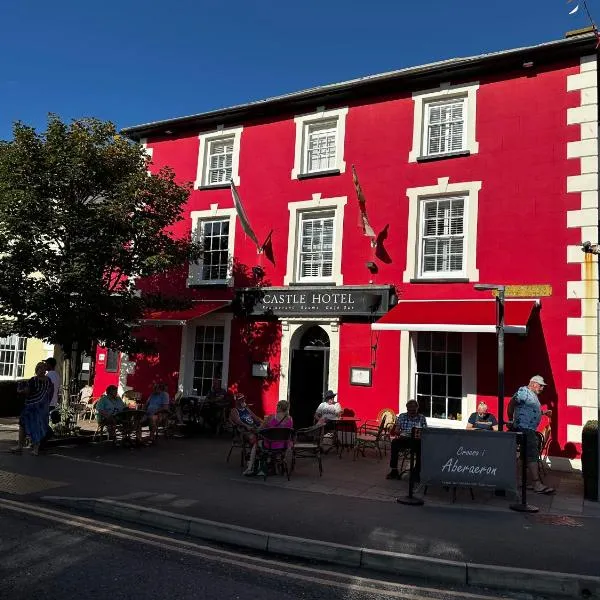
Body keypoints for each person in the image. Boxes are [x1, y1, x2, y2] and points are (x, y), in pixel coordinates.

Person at [508, 375, 554, 495]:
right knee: (533, 454)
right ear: (533, 383)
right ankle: (537, 484)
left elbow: (528, 410)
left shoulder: (532, 395)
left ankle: (519, 481)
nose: (542, 388)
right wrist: (510, 420)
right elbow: (511, 403)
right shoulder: (524, 391)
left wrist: (543, 412)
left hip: (528, 428)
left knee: (524, 456)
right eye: (541, 385)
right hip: (525, 429)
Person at [11, 362, 54, 456]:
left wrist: (20, 391)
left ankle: (28, 448)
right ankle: (27, 447)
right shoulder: (48, 381)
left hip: (33, 407)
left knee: (33, 427)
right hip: (41, 408)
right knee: (26, 425)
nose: (41, 371)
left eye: (42, 369)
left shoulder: (34, 380)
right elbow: (50, 395)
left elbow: (27, 391)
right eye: (40, 369)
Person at [386, 400, 427, 481]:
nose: (412, 412)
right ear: (407, 408)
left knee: (421, 448)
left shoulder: (421, 418)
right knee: (394, 443)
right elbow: (397, 430)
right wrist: (397, 431)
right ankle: (394, 470)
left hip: (416, 440)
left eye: (414, 410)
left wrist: (420, 433)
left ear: (417, 408)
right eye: (410, 410)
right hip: (404, 439)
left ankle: (417, 471)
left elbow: (425, 431)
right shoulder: (402, 416)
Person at [230, 393, 262, 476]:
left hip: (253, 428)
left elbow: (255, 418)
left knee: (263, 436)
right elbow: (237, 421)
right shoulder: (234, 410)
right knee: (253, 438)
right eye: (241, 399)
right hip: (244, 431)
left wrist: (262, 422)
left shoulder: (246, 409)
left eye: (243, 399)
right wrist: (246, 426)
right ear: (237, 401)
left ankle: (259, 459)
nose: (243, 400)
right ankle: (251, 459)